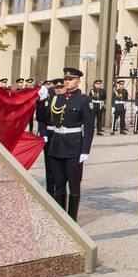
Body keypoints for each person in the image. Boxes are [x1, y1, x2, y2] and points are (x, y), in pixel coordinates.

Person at [46, 67, 95, 220]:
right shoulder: (56, 98)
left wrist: (85, 150)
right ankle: (61, 219)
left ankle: (71, 219)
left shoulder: (84, 100)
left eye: (71, 79)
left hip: (74, 147)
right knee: (58, 186)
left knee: (74, 187)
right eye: (65, 79)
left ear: (78, 81)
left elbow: (89, 127)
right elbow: (44, 117)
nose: (67, 81)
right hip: (56, 146)